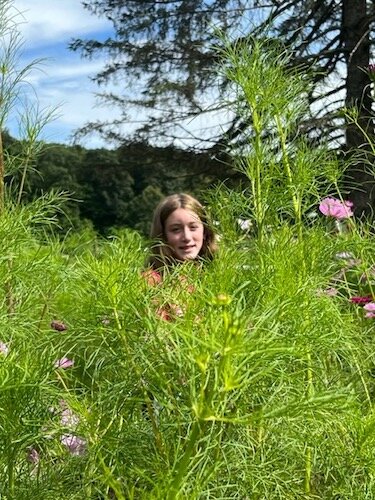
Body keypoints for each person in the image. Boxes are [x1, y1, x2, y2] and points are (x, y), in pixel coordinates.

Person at [146, 193, 217, 272]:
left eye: (193, 227)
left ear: (205, 232)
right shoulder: (151, 281)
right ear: (162, 235)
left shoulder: (220, 271)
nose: (187, 237)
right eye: (176, 229)